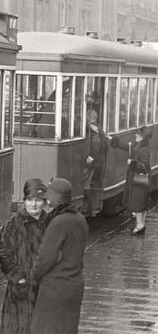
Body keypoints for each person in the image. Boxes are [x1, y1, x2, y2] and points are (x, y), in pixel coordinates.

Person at [31, 178, 88, 334]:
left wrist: (34, 277)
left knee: (46, 329)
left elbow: (45, 258)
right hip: (74, 285)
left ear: (54, 198)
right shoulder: (79, 219)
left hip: (55, 288)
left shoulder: (59, 223)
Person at [0, 178, 48, 334]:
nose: (34, 204)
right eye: (30, 200)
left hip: (43, 289)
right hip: (19, 290)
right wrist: (18, 277)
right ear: (24, 201)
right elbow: (3, 252)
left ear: (44, 202)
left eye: (38, 200)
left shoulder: (50, 224)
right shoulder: (14, 224)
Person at [111, 127, 152, 234]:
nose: (135, 136)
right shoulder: (139, 145)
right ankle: (141, 224)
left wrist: (132, 162)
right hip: (139, 178)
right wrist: (113, 140)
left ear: (142, 137)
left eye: (138, 135)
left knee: (138, 201)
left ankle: (139, 225)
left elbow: (145, 165)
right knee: (141, 201)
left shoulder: (144, 149)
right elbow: (127, 147)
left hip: (139, 179)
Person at [83, 109, 109, 216]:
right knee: (87, 183)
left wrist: (91, 157)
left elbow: (96, 142)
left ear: (88, 117)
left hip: (93, 162)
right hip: (98, 162)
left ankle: (89, 209)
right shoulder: (97, 127)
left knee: (86, 184)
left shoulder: (94, 129)